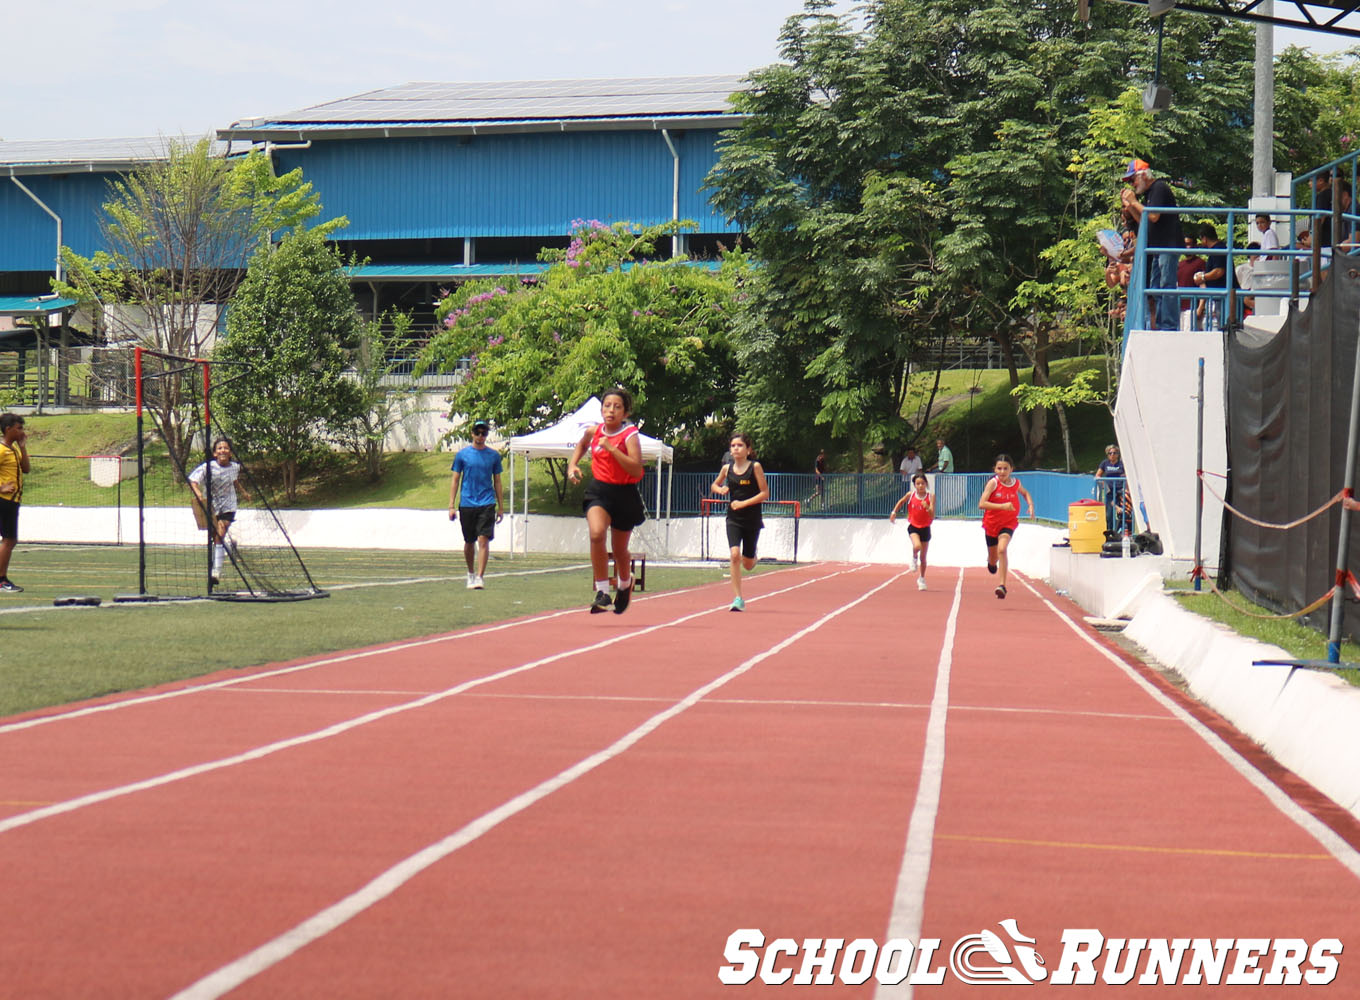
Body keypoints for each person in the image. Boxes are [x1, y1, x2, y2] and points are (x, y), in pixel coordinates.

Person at [567, 388, 646, 614]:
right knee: (596, 534)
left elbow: (636, 469)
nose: (611, 410)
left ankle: (624, 584)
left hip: (624, 493)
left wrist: (612, 448)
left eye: (617, 406)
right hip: (599, 491)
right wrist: (573, 465)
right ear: (601, 409)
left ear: (625, 412)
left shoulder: (630, 435)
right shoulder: (594, 431)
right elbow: (582, 445)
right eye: (607, 405)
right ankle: (602, 591)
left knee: (619, 550)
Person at [1122, 158, 1184, 331]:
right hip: (1158, 248)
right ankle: (1163, 323)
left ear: (1142, 175)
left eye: (1133, 179)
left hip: (1168, 246)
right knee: (1156, 288)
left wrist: (1134, 202)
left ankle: (1169, 325)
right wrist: (1130, 206)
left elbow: (1154, 215)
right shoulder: (1150, 193)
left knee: (1167, 285)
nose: (1133, 184)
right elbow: (1145, 220)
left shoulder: (1159, 188)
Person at [710, 432, 769, 612]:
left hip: (751, 519)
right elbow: (714, 485)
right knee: (734, 555)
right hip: (733, 519)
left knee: (748, 564)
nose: (736, 448)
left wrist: (743, 503)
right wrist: (721, 490)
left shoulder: (755, 467)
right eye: (733, 445)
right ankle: (737, 598)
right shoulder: (727, 469)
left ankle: (753, 556)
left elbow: (765, 494)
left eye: (740, 445)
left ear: (748, 449)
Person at [449, 418, 504, 590]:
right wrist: (451, 505)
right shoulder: (462, 455)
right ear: (472, 434)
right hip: (467, 503)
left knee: (483, 539)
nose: (480, 436)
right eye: (478, 433)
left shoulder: (494, 456)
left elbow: (497, 481)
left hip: (486, 502)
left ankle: (480, 576)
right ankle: (470, 573)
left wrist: (501, 507)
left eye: (484, 433)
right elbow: (455, 480)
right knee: (469, 541)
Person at [188, 437, 248, 587]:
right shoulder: (207, 467)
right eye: (219, 448)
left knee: (220, 534)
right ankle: (229, 548)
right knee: (216, 537)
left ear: (230, 452)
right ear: (215, 453)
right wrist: (198, 494)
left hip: (229, 505)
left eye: (226, 448)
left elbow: (234, 481)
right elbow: (193, 481)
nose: (223, 451)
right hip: (211, 505)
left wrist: (244, 493)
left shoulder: (235, 467)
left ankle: (216, 572)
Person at [978, 454, 1034, 601]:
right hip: (991, 524)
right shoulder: (993, 483)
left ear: (1011, 469)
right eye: (999, 468)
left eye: (1005, 469)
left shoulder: (1016, 483)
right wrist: (1002, 506)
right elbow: (982, 504)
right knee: (993, 558)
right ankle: (991, 562)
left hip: (1008, 523)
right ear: (995, 469)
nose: (1002, 472)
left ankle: (1002, 586)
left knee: (1002, 549)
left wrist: (1030, 505)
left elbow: (1025, 492)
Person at [0, 413, 31, 593]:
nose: (22, 432)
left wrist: (23, 448)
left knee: (10, 540)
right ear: (8, 429)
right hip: (4, 501)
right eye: (19, 428)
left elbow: (26, 469)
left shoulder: (13, 449)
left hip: (13, 501)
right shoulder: (2, 450)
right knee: (9, 539)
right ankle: (1, 579)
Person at [889, 471, 934, 591]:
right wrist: (894, 512)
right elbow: (901, 502)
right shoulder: (911, 495)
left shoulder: (930, 496)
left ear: (926, 484)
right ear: (915, 485)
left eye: (922, 483)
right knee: (917, 546)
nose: (920, 486)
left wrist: (927, 507)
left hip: (925, 528)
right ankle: (914, 557)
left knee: (923, 558)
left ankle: (922, 578)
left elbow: (932, 514)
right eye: (918, 484)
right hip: (913, 526)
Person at [1192, 223, 1228, 328]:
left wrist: (1203, 277)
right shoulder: (1219, 249)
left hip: (1222, 295)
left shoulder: (1218, 249)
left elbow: (1219, 271)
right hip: (1220, 295)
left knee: (1223, 325)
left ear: (1204, 238)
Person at [1094, 444, 1127, 536]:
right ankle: (1109, 532)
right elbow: (1097, 476)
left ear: (1118, 454)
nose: (1112, 455)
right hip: (1110, 491)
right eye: (1110, 453)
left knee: (1124, 512)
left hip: (1121, 490)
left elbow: (1128, 475)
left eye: (1114, 453)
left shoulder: (1121, 464)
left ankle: (1122, 532)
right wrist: (1104, 484)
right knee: (1109, 513)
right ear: (1107, 454)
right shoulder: (1105, 463)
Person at [1177, 234, 1207, 331]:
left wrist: (1200, 307)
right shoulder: (1179, 264)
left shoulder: (1200, 263)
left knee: (1189, 334)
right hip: (1179, 307)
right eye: (1185, 244)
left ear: (1195, 245)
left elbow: (1203, 286)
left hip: (1192, 307)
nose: (1187, 247)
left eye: (1189, 244)